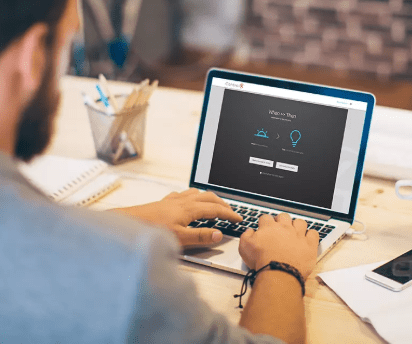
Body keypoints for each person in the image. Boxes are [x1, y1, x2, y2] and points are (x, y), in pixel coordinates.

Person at [0, 1, 319, 343]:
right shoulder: (130, 267)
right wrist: (281, 266)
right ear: (31, 57)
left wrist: (115, 223)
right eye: (67, 45)